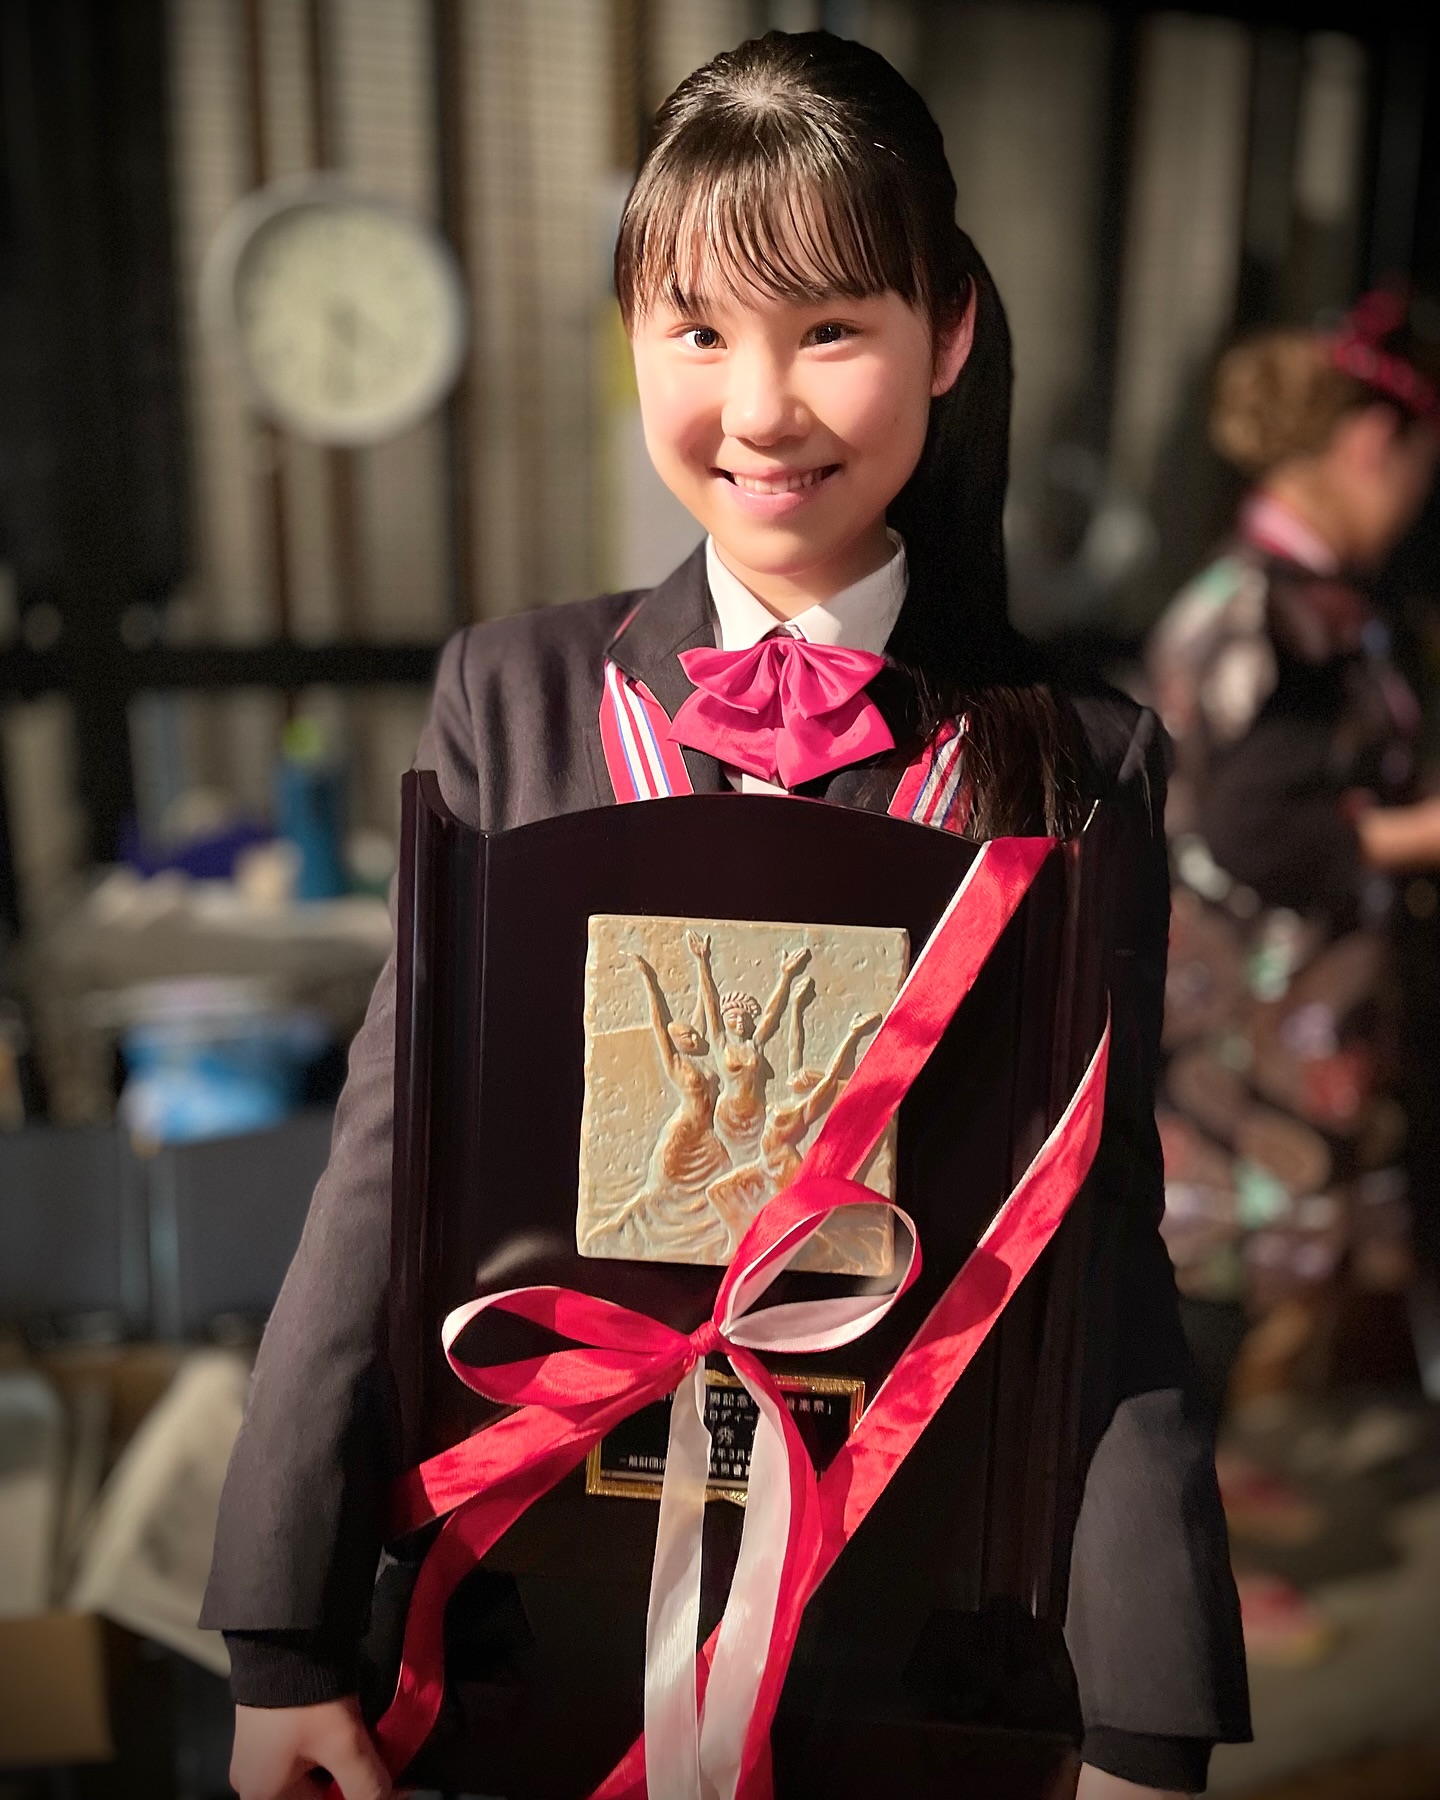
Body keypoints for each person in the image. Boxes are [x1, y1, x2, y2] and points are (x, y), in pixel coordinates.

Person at [207, 32, 1247, 1800]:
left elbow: (1103, 1255)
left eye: (830, 328)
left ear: (950, 333)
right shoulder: (512, 701)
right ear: (631, 338)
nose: (759, 408)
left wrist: (1152, 1720)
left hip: (917, 1655)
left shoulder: (1084, 759)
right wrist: (282, 1638)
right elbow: (383, 1175)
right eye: (696, 330)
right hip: (532, 1616)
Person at [1149, 299, 1440, 1402]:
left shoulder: (1281, 597)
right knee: (1204, 1334)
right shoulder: (1280, 614)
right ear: (1373, 443)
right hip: (1245, 1054)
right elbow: (1261, 829)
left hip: (1259, 1044)